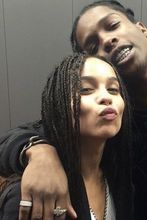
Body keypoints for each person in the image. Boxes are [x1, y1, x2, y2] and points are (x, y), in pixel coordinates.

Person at [1, 0, 147, 219]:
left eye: (112, 25)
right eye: (93, 45)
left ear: (142, 28)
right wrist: (39, 153)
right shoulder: (106, 121)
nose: (106, 40)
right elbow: (34, 131)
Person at [0, 53, 133, 220]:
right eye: (85, 89)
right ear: (59, 104)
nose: (106, 97)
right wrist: (40, 152)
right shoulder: (35, 194)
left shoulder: (123, 177)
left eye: (113, 89)